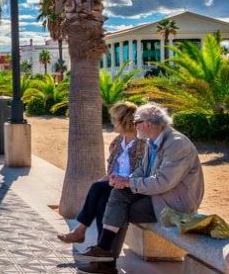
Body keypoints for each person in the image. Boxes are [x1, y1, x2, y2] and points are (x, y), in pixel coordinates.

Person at [76, 103, 204, 274]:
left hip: (175, 204)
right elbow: (142, 171)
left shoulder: (177, 144)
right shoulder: (151, 141)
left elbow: (163, 182)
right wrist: (124, 180)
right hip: (158, 196)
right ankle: (104, 252)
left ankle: (105, 259)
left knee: (120, 207)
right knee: (116, 194)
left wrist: (129, 183)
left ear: (148, 124)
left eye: (136, 122)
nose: (134, 125)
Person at [56, 102, 145, 244]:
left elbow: (142, 170)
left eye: (115, 119)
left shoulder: (142, 143)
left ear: (125, 121)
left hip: (132, 187)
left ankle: (80, 232)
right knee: (101, 198)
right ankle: (102, 250)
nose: (112, 122)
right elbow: (112, 169)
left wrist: (121, 180)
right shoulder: (118, 141)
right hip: (115, 184)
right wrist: (107, 178)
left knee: (98, 189)